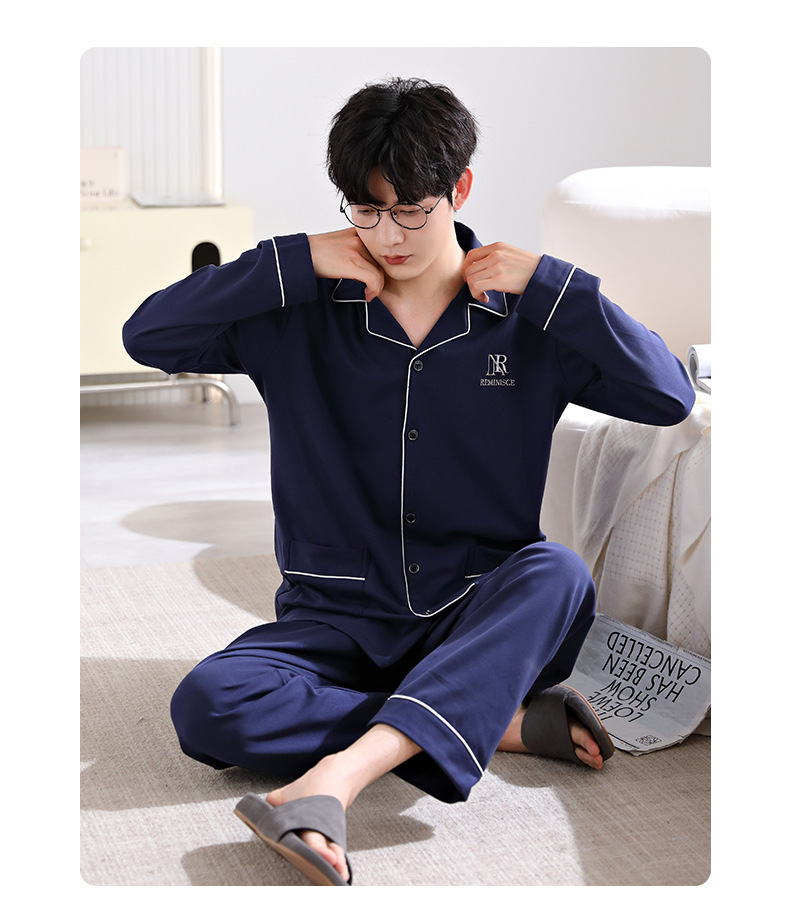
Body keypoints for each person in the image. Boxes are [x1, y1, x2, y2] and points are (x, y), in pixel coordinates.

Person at [123, 77, 696, 886]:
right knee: (209, 706)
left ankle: (336, 778)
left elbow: (669, 396)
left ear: (460, 189)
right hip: (334, 620)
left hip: (480, 615)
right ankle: (490, 720)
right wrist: (288, 260)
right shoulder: (300, 310)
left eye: (411, 210)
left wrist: (556, 285)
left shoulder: (529, 317)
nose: (388, 235)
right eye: (366, 210)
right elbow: (147, 336)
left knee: (558, 574)